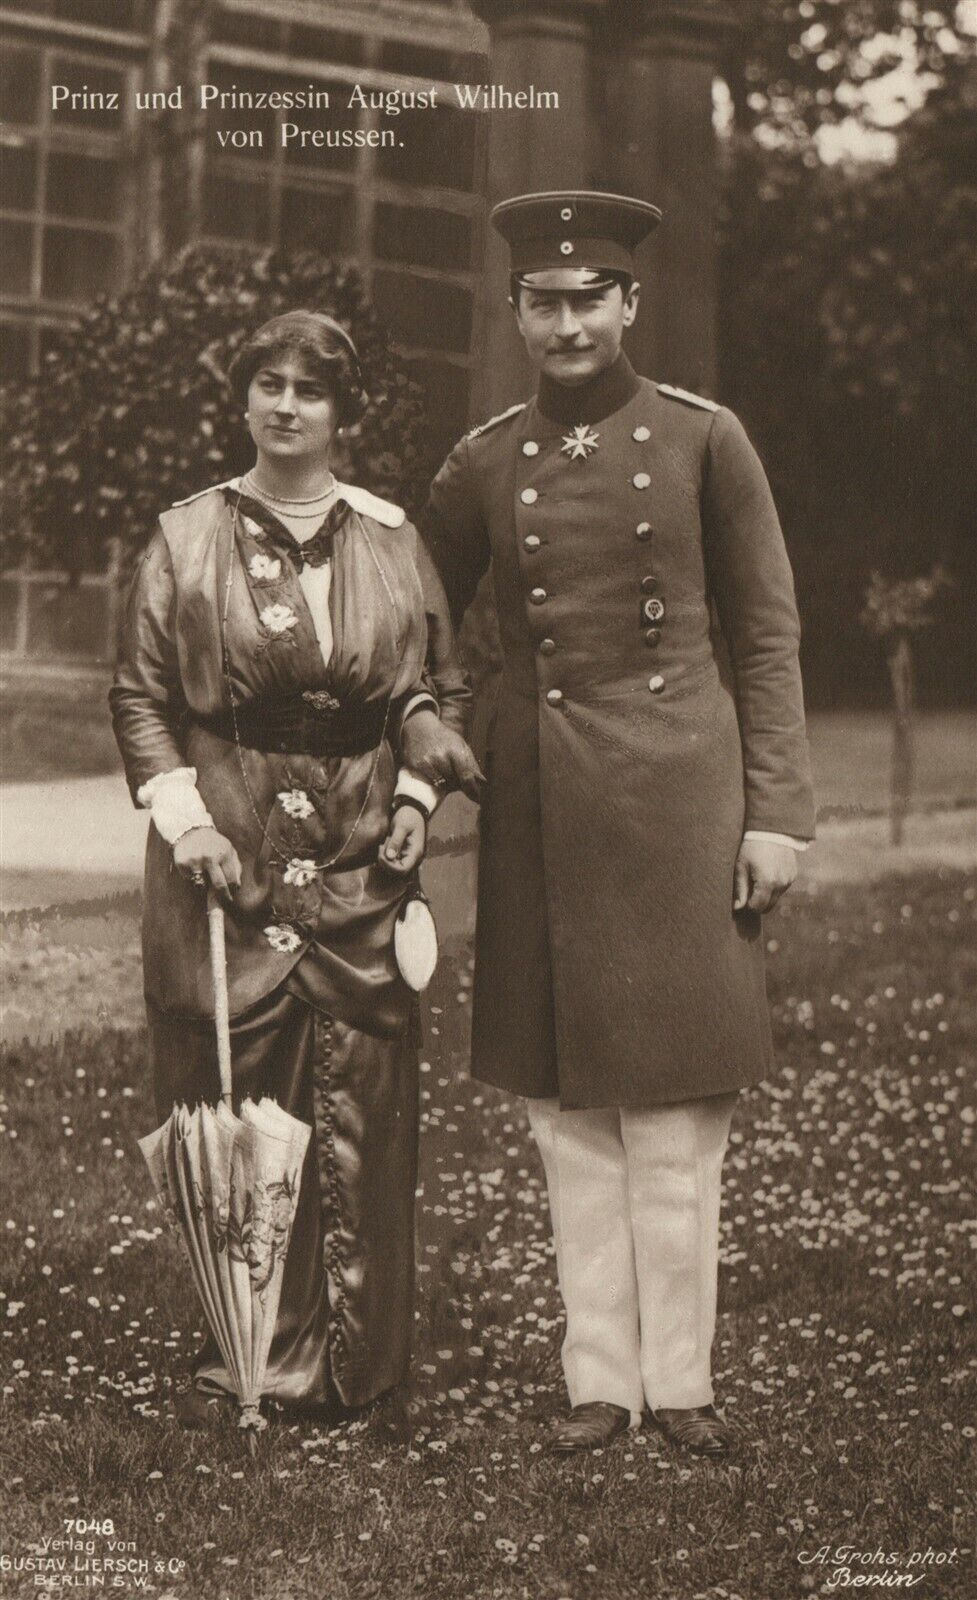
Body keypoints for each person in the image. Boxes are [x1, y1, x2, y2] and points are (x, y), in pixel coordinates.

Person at [420, 193, 816, 1456]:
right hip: (540, 798)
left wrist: (778, 818)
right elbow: (413, 616)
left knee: (678, 1105)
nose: (569, 320)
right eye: (544, 300)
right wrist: (430, 715)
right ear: (516, 314)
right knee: (564, 1108)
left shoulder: (705, 441)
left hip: (680, 801)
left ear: (629, 305)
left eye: (591, 297)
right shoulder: (482, 461)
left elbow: (763, 636)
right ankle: (600, 1377)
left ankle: (682, 1382)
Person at [110, 310, 479, 1423]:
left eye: (307, 389)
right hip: (225, 851)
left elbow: (438, 687)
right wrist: (191, 825)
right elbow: (139, 699)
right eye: (265, 384)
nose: (284, 405)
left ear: (340, 412)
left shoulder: (390, 537)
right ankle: (255, 1355)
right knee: (230, 1092)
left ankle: (362, 1371)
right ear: (242, 403)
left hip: (362, 850)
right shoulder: (183, 538)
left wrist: (416, 792)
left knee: (365, 1100)